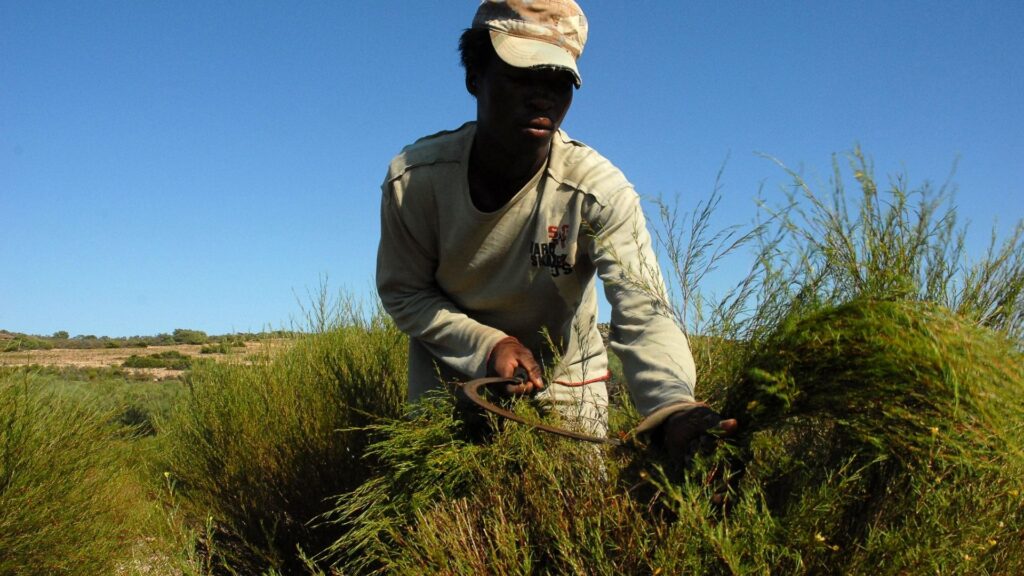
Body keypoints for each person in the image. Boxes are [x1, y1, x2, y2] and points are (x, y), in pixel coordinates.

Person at [376, 0, 736, 456]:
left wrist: (674, 406)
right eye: (522, 77)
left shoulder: (597, 191)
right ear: (474, 78)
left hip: (566, 378)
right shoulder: (416, 181)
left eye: (558, 81)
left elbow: (643, 310)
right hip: (450, 371)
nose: (543, 96)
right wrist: (490, 346)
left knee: (573, 511)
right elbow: (404, 293)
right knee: (443, 514)